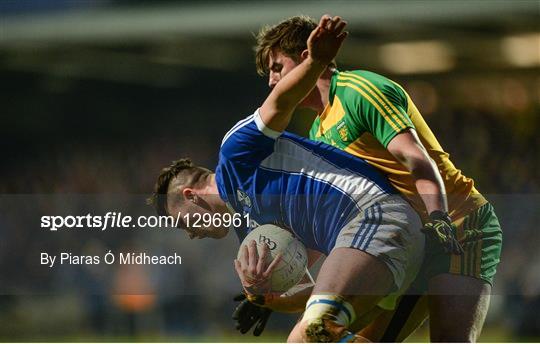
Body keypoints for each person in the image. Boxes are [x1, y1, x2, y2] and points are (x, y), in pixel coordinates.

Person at [149, 16, 426, 342]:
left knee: (310, 335)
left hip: (376, 217)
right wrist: (263, 297)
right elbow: (308, 290)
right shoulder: (252, 231)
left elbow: (280, 102)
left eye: (183, 223)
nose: (191, 235)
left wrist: (315, 60)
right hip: (375, 243)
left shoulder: (234, 155)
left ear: (192, 195)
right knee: (322, 336)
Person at [247, 15, 503, 342]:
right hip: (405, 238)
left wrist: (439, 218)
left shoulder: (361, 92)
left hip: (459, 225)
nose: (271, 82)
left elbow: (417, 160)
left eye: (276, 67)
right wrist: (270, 291)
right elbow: (330, 228)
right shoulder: (317, 133)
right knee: (313, 337)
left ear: (306, 57)